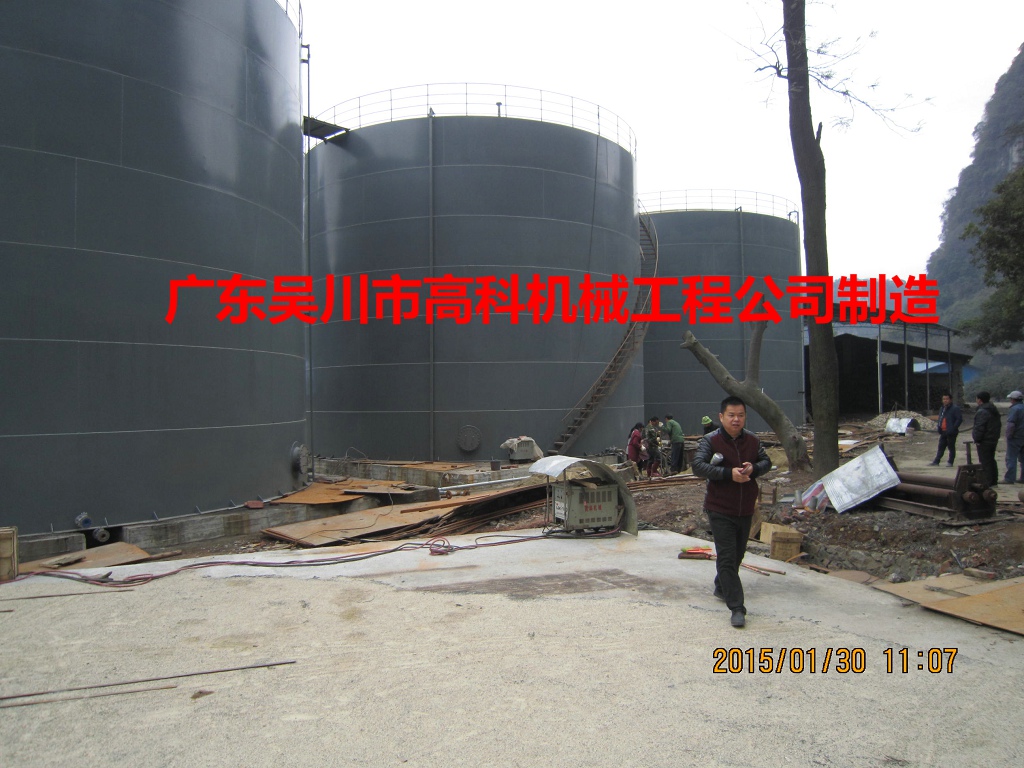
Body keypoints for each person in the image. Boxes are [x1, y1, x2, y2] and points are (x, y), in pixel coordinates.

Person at [692, 396, 771, 628]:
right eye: (731, 415)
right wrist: (729, 474)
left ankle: (721, 586)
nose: (736, 420)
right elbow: (698, 466)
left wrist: (753, 468)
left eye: (741, 415)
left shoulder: (753, 441)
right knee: (727, 557)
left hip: (745, 508)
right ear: (721, 417)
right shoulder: (711, 440)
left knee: (737, 555)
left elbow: (766, 462)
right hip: (720, 508)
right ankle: (737, 607)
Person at [972, 391, 1001, 487]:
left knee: (985, 462)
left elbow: (980, 427)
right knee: (991, 460)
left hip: (985, 440)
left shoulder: (982, 412)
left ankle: (988, 482)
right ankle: (994, 481)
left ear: (979, 400)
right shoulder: (992, 409)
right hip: (993, 438)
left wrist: (977, 439)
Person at [930, 392, 962, 467]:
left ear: (950, 400)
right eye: (943, 399)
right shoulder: (942, 408)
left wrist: (953, 428)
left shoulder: (955, 408)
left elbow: (959, 419)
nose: (945, 400)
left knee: (951, 447)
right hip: (943, 431)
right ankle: (936, 461)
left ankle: (950, 462)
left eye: (947, 399)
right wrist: (939, 427)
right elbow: (940, 419)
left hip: (951, 432)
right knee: (941, 447)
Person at [1004, 390, 1024, 484]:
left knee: (1011, 457)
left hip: (1015, 437)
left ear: (1013, 399)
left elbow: (1011, 425)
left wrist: (1008, 436)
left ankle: (1010, 478)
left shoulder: (1014, 409)